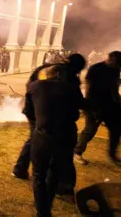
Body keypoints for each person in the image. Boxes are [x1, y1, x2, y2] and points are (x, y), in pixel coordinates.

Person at [12, 53, 86, 196]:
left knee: (35, 138)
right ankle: (63, 184)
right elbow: (76, 100)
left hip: (36, 110)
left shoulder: (45, 68)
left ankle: (20, 169)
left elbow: (30, 86)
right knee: (60, 149)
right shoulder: (68, 76)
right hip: (48, 115)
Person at [25, 65, 84, 217]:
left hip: (43, 135)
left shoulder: (35, 86)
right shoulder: (71, 88)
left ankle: (42, 211)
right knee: (54, 172)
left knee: (38, 174)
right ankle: (47, 206)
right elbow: (78, 112)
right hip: (66, 135)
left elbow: (29, 112)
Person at [74, 51, 121, 165]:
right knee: (90, 130)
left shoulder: (115, 69)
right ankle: (77, 152)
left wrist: (118, 102)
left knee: (116, 129)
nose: (118, 65)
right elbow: (88, 86)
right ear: (110, 59)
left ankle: (112, 155)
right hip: (94, 104)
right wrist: (90, 105)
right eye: (117, 62)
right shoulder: (96, 68)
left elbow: (113, 87)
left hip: (110, 105)